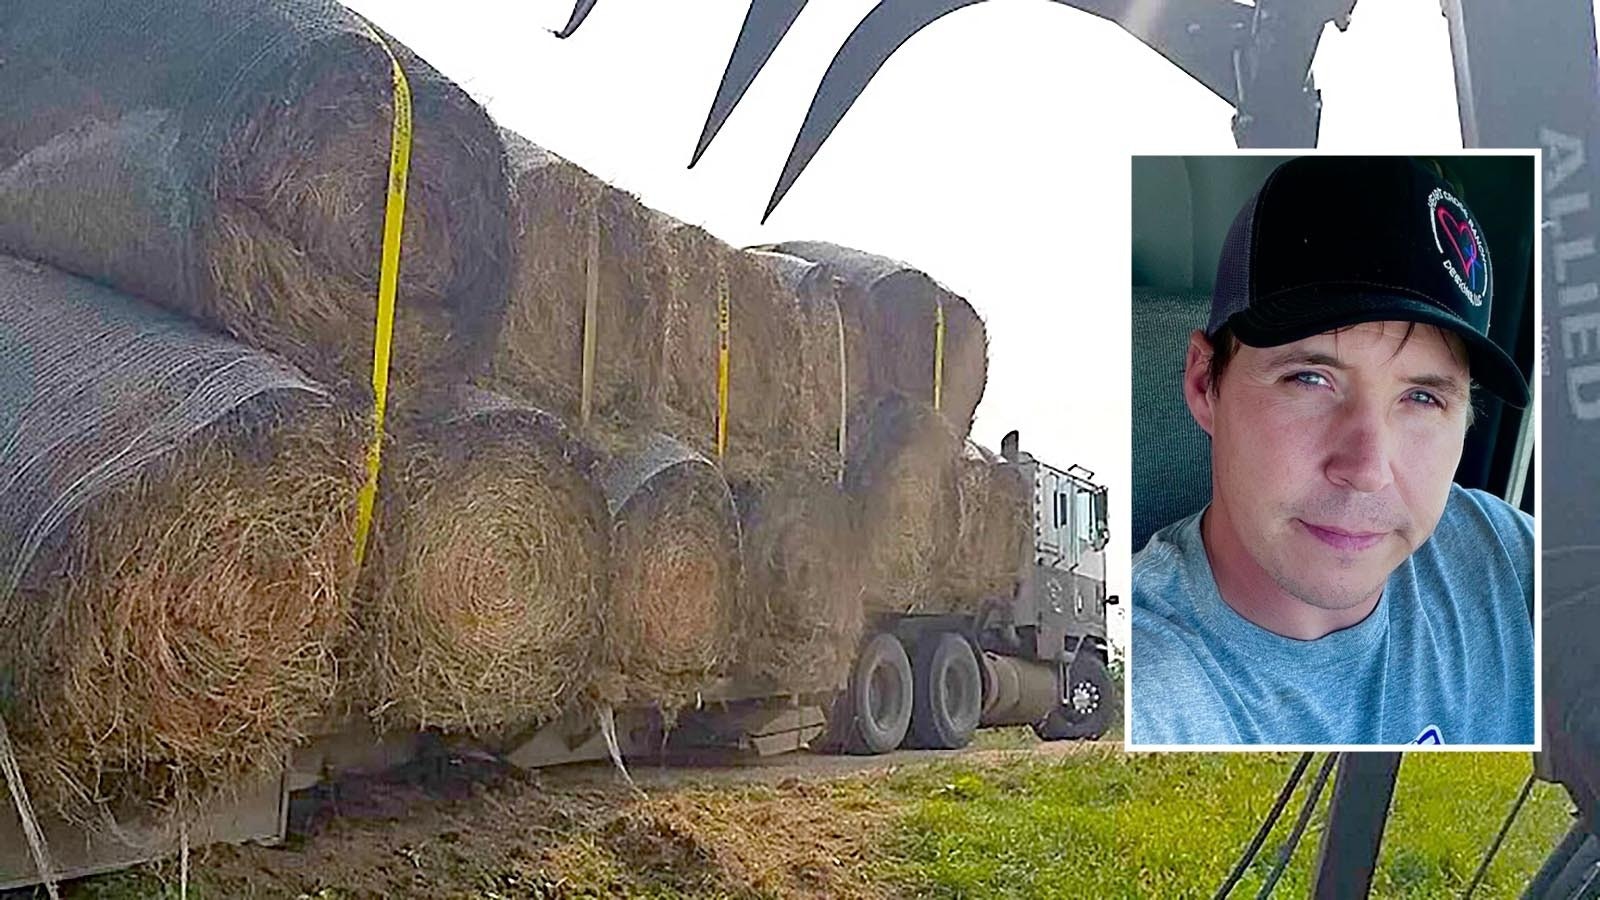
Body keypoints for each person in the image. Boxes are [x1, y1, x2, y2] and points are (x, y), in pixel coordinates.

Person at [1131, 156, 1534, 746]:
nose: (1369, 471)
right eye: (1310, 380)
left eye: (1422, 397)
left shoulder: (1504, 557)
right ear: (1202, 384)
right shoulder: (1155, 693)